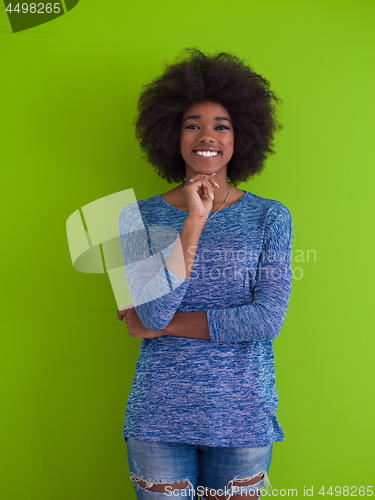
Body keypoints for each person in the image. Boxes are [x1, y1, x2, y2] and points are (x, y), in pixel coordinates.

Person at [117, 48, 293, 500]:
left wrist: (165, 326)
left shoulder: (270, 217)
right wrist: (194, 220)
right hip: (159, 415)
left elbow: (266, 320)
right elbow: (152, 313)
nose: (206, 135)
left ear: (242, 137)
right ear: (172, 134)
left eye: (222, 125)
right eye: (192, 124)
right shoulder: (136, 218)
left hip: (243, 416)